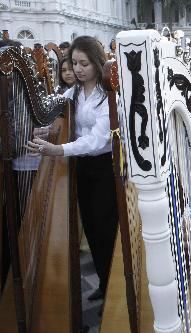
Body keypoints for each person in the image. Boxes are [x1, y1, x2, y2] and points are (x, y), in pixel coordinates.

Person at [26, 36, 118, 305]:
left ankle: (112, 286)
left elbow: (98, 140)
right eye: (74, 63)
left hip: (104, 170)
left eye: (84, 63)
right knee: (90, 228)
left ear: (97, 63)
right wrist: (43, 130)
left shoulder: (108, 95)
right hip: (82, 167)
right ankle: (103, 281)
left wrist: (58, 150)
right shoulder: (73, 93)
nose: (78, 69)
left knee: (104, 230)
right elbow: (57, 118)